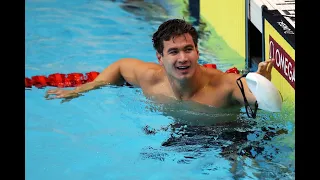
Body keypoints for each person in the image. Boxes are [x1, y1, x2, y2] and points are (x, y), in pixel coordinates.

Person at [45, 19, 275, 118]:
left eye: (188, 49)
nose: (183, 58)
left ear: (198, 52)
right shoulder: (150, 79)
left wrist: (262, 89)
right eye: (173, 52)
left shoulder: (225, 85)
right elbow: (121, 66)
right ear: (160, 58)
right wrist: (84, 88)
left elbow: (256, 100)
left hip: (226, 137)